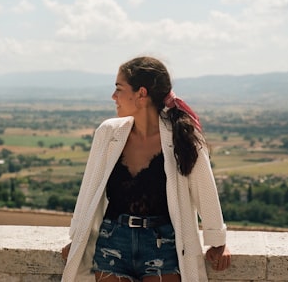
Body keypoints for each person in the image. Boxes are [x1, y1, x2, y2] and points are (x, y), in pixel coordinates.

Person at [61, 56, 231, 281]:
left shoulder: (182, 136)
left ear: (141, 94)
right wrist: (78, 239)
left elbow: (205, 191)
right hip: (112, 241)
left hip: (164, 246)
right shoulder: (108, 132)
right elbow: (89, 190)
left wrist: (217, 242)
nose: (114, 96)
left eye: (119, 89)